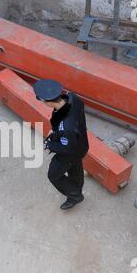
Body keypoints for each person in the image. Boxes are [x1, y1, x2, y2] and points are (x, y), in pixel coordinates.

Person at [33, 79, 89, 210]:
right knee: (75, 169)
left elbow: (66, 148)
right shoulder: (73, 98)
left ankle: (75, 195)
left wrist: (50, 144)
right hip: (81, 144)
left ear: (48, 102)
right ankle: (77, 188)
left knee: (53, 175)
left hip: (71, 151)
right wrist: (56, 130)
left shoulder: (67, 128)